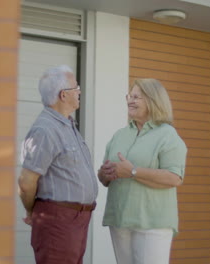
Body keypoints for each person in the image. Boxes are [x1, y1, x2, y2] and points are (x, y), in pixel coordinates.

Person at [98, 78, 187, 264]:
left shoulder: (167, 135)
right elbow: (104, 177)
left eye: (137, 97)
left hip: (153, 223)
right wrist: (104, 174)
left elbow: (174, 178)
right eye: (130, 96)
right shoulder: (120, 135)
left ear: (153, 101)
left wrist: (133, 172)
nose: (130, 100)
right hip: (120, 219)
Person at [18, 65, 98, 264]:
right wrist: (31, 210)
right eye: (76, 87)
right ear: (64, 95)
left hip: (76, 221)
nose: (79, 91)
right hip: (58, 221)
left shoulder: (67, 125)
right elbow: (26, 182)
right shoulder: (45, 130)